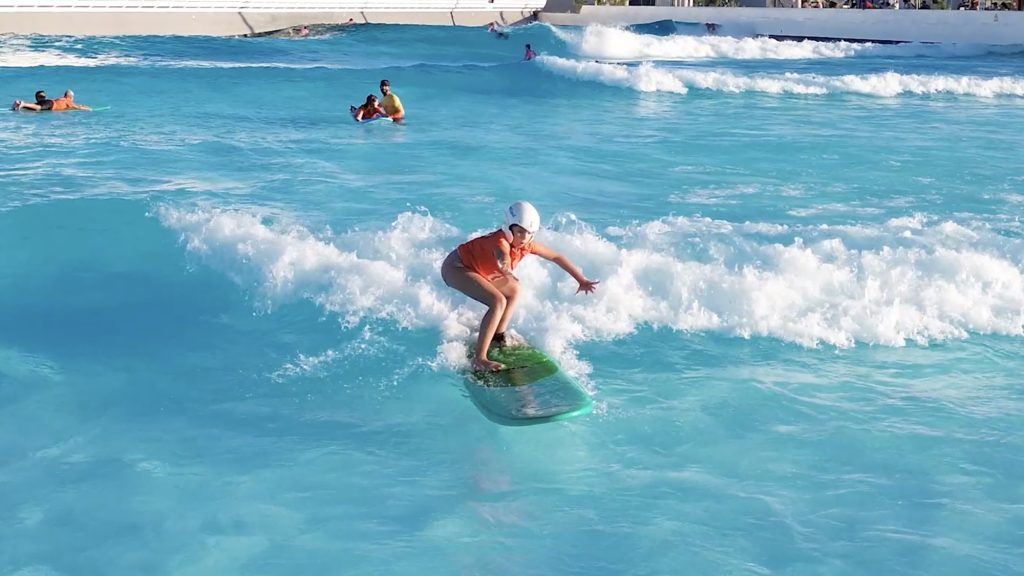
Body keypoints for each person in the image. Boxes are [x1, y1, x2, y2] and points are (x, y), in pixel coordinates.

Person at [440, 201, 600, 372]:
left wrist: (580, 280)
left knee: (515, 289)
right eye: (520, 232)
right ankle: (479, 359)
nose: (524, 238)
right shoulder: (500, 241)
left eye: (529, 234)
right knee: (497, 301)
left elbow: (556, 257)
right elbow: (502, 257)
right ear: (509, 229)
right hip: (456, 268)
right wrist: (506, 270)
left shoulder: (526, 244)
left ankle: (498, 336)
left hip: (478, 270)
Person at [13, 89, 90, 112]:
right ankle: (23, 104)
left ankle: (19, 104)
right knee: (38, 108)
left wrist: (81, 105)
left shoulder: (62, 99)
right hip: (51, 104)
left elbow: (74, 106)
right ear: (70, 96)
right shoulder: (68, 101)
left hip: (49, 102)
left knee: (35, 107)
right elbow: (76, 107)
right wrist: (87, 109)